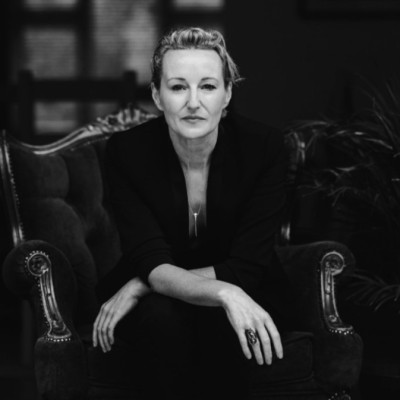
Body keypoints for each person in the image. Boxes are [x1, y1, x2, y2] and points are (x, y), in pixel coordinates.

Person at [93, 27, 295, 400]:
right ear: (157, 95)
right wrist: (223, 292)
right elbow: (150, 258)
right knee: (161, 319)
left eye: (207, 86)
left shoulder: (264, 147)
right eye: (177, 87)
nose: (193, 102)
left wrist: (140, 284)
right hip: (164, 302)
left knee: (218, 320)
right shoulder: (127, 151)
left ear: (227, 93)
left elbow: (248, 265)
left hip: (248, 286)